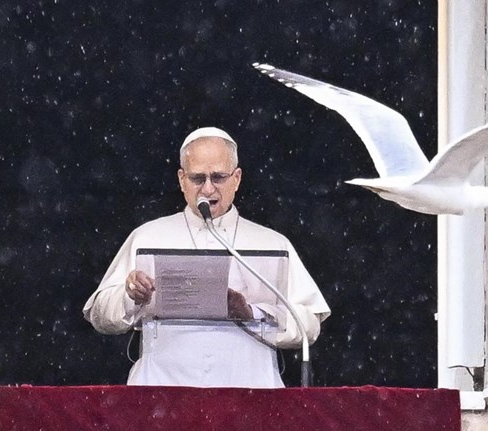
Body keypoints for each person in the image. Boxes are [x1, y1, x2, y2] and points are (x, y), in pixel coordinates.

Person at [83, 128, 330, 387]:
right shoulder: (148, 236)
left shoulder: (272, 242)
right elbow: (100, 316)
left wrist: (251, 313)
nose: (208, 188)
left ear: (237, 179)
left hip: (251, 394)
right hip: (162, 393)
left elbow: (309, 326)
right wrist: (129, 297)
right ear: (181, 180)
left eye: (218, 177)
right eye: (197, 178)